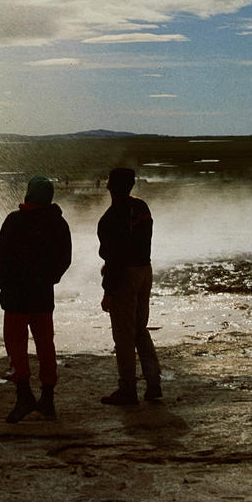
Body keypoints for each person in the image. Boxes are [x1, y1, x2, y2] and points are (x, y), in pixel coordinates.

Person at [0, 175, 72, 422]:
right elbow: (64, 259)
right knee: (45, 344)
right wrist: (50, 279)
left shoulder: (15, 221)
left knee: (16, 345)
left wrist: (4, 285)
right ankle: (47, 398)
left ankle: (24, 395)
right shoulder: (58, 224)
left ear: (29, 194)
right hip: (42, 296)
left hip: (17, 297)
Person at [97, 166, 161, 406]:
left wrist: (108, 292)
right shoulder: (141, 207)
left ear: (109, 185)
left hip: (126, 275)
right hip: (145, 270)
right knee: (139, 328)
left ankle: (128, 390)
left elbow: (114, 258)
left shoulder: (112, 217)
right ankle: (154, 383)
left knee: (123, 335)